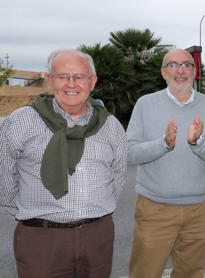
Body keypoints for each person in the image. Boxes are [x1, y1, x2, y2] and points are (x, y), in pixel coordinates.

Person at [0, 49, 127, 277]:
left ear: (92, 81)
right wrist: (30, 214)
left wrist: (96, 212)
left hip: (97, 237)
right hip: (41, 240)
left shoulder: (111, 126)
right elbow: (3, 173)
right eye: (62, 76)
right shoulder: (21, 121)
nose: (71, 83)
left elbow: (117, 176)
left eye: (79, 76)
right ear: (50, 80)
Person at [127, 48, 205, 278]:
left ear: (195, 72)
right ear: (163, 72)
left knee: (190, 273)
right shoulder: (145, 104)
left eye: (187, 65)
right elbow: (130, 153)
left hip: (198, 210)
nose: (180, 70)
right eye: (173, 65)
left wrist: (198, 142)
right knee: (145, 273)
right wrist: (163, 143)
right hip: (154, 209)